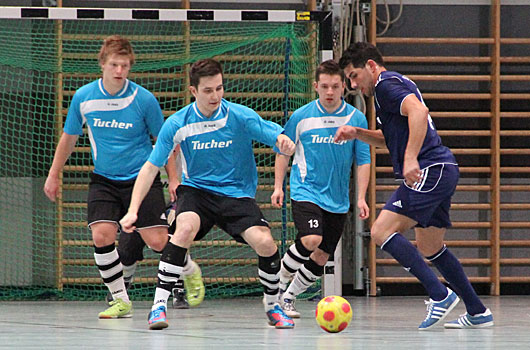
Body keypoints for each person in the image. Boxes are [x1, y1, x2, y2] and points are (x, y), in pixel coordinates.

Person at [120, 58, 297, 330]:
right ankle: (158, 306)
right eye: (208, 90)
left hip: (236, 195)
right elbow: (150, 167)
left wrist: (283, 141)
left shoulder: (239, 116)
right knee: (183, 229)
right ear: (194, 91)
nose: (215, 96)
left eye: (219, 88)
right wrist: (133, 209)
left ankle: (272, 305)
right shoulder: (178, 123)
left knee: (265, 243)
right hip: (198, 192)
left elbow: (276, 135)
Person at [335, 42, 494, 330]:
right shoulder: (392, 87)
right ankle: (478, 312)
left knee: (381, 230)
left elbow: (419, 112)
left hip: (430, 170)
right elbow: (389, 137)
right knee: (430, 246)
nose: (353, 84)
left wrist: (410, 159)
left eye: (354, 75)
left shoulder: (385, 85)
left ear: (371, 66)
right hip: (442, 169)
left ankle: (440, 295)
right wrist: (357, 133)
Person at [43, 35, 201, 319]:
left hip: (141, 179)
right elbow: (68, 139)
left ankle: (188, 268)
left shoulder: (143, 99)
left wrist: (175, 179)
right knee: (101, 235)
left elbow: (165, 142)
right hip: (104, 179)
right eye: (114, 64)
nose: (119, 71)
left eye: (125, 65)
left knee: (156, 241)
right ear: (102, 64)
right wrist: (54, 174)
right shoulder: (84, 97)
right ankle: (120, 299)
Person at [270, 60, 371, 318]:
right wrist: (278, 186)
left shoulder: (355, 118)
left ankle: (289, 298)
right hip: (306, 190)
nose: (329, 92)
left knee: (322, 254)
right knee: (310, 239)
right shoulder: (301, 117)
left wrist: (360, 198)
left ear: (343, 87)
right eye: (324, 86)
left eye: (334, 86)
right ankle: (277, 288)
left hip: (337, 198)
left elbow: (363, 160)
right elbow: (283, 152)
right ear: (315, 86)